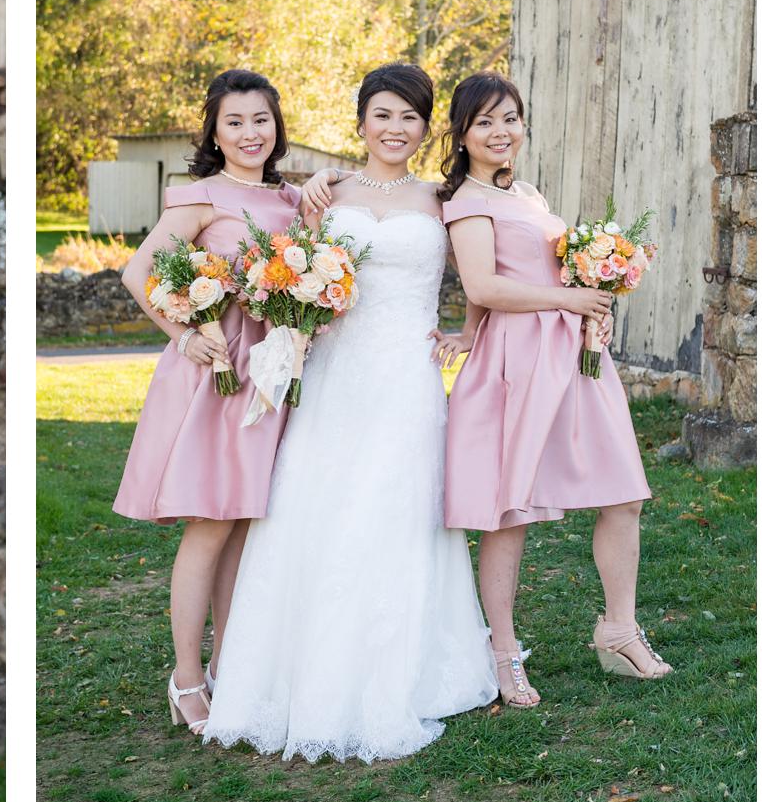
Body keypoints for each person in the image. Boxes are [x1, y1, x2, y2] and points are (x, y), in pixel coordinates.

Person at [200, 62, 497, 762]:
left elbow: (483, 267)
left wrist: (470, 331)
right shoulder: (324, 194)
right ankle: (298, 670)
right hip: (336, 375)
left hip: (406, 379)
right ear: (361, 120)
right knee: (318, 507)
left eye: (411, 117)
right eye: (384, 114)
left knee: (398, 511)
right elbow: (296, 272)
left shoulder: (442, 197)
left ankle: (408, 670)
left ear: (426, 128)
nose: (396, 129)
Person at [439, 71, 667, 706]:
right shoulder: (464, 202)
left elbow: (519, 275)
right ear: (461, 134)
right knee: (508, 512)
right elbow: (483, 284)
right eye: (484, 121)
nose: (500, 131)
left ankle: (619, 630)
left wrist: (594, 300)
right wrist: (567, 297)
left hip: (574, 354)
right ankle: (504, 652)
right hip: (515, 364)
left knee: (623, 491)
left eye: (509, 117)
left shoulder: (531, 196)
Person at [108, 68, 302, 733]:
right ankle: (186, 676)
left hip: (275, 372)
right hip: (223, 370)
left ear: (277, 127)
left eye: (261, 121)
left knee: (248, 523)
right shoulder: (201, 197)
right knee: (212, 522)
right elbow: (140, 273)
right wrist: (185, 333)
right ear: (214, 133)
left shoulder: (295, 199)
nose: (251, 133)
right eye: (235, 122)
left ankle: (229, 665)